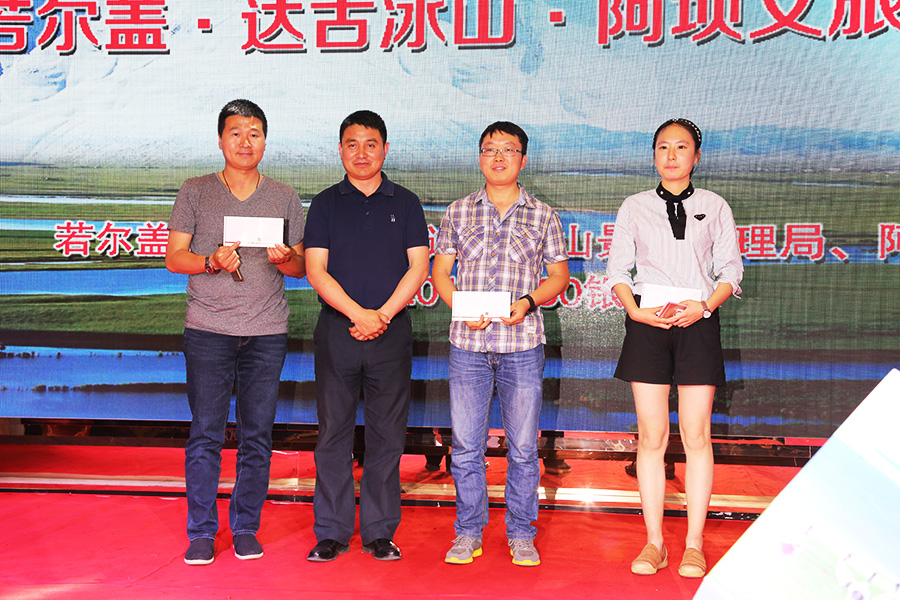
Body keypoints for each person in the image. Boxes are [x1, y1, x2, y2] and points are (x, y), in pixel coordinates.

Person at [165, 99, 306, 566]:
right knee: (205, 434)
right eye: (236, 133)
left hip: (266, 331)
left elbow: (301, 268)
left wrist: (285, 258)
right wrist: (210, 261)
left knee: (257, 436)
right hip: (208, 329)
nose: (245, 142)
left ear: (265, 140)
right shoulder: (196, 190)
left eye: (254, 134)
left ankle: (246, 526)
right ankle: (202, 531)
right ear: (221, 139)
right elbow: (174, 258)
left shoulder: (284, 196)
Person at [603, 118, 743, 578]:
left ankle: (695, 544)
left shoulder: (715, 205)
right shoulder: (635, 206)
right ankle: (655, 542)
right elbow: (618, 271)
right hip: (648, 324)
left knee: (697, 435)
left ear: (696, 156)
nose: (671, 155)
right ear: (654, 155)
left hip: (698, 323)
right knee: (651, 436)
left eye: (681, 147)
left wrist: (704, 306)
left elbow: (731, 271)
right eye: (663, 147)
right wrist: (635, 311)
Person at [432, 121, 569, 567]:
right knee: (466, 447)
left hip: (522, 344)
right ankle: (467, 532)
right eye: (490, 149)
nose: (498, 157)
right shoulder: (457, 212)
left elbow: (559, 276)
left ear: (522, 160)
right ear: (479, 157)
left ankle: (522, 534)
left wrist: (528, 302)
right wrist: (459, 307)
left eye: (508, 149)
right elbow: (440, 273)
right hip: (468, 345)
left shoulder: (543, 215)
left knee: (524, 449)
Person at [303, 110, 429, 562]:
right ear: (340, 150)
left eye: (370, 144)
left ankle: (379, 530)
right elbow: (315, 269)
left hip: (391, 334)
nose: (361, 153)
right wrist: (359, 314)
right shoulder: (324, 204)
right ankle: (331, 531)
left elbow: (419, 266)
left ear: (385, 150)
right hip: (338, 331)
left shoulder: (406, 203)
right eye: (352, 144)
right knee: (332, 434)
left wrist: (383, 316)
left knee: (387, 436)